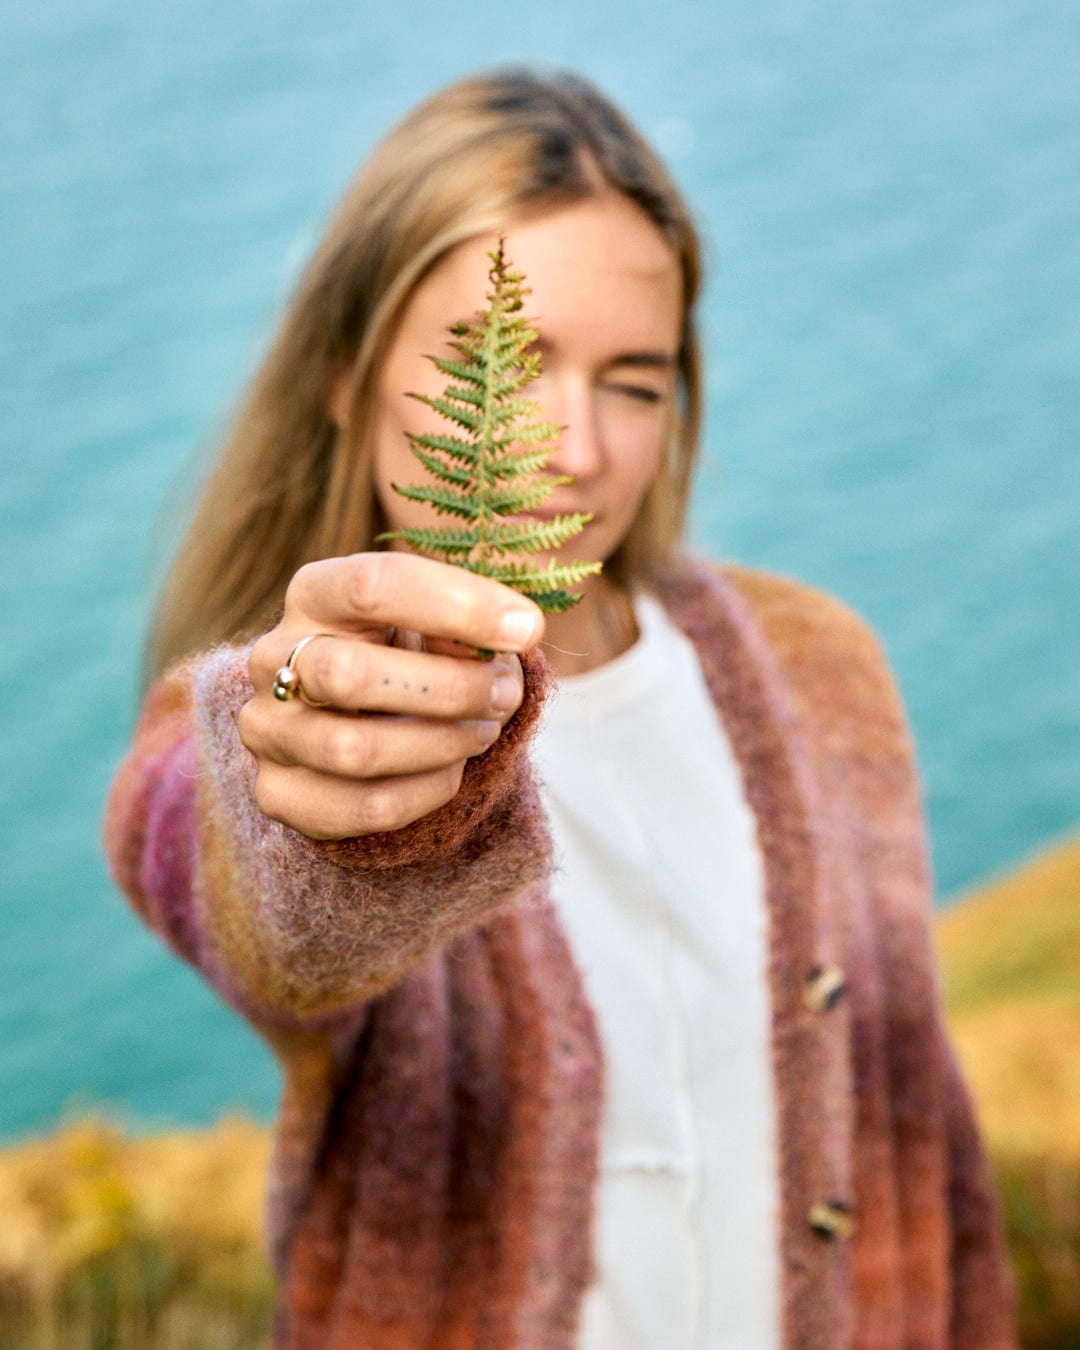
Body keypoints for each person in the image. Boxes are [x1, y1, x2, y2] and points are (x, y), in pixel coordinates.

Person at [104, 68, 1017, 1349]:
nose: (578, 448)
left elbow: (926, 1132)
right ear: (343, 375)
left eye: (636, 382)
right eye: (506, 365)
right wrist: (316, 804)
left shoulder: (823, 668)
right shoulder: (274, 712)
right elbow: (224, 879)